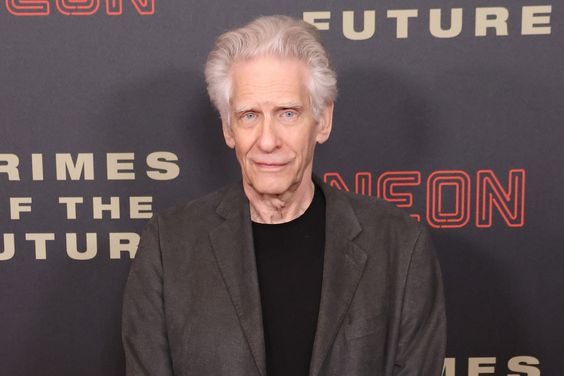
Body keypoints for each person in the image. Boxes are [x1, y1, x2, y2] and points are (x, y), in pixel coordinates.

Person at [121, 15, 446, 376]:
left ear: (322, 120)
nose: (267, 140)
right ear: (229, 129)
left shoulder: (399, 245)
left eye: (287, 113)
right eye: (248, 116)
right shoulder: (169, 246)